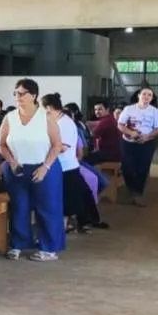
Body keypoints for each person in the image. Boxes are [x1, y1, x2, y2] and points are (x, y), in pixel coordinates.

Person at [0, 78, 64, 262]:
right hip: (17, 168)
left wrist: (45, 167)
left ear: (33, 95)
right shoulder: (9, 117)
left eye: (22, 93)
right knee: (19, 206)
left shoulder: (46, 116)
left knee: (47, 207)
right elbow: (2, 145)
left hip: (44, 168)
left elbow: (57, 145)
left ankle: (49, 248)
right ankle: (18, 244)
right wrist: (10, 161)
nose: (18, 97)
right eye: (16, 93)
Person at [42, 93, 102, 232]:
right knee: (75, 196)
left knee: (69, 199)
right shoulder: (56, 121)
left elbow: (63, 147)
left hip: (66, 166)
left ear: (50, 107)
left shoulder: (65, 123)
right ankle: (79, 222)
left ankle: (66, 226)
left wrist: (43, 146)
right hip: (61, 166)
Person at [117, 87, 158, 206]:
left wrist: (147, 137)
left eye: (149, 95)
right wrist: (131, 133)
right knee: (127, 168)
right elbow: (120, 125)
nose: (146, 97)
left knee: (142, 169)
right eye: (144, 94)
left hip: (146, 144)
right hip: (128, 143)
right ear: (139, 96)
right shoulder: (129, 109)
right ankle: (132, 188)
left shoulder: (155, 111)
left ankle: (137, 194)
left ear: (152, 98)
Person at [86, 100, 121, 165]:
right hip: (113, 152)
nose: (97, 112)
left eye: (100, 109)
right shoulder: (109, 118)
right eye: (95, 109)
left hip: (110, 153)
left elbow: (92, 134)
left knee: (84, 160)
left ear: (107, 110)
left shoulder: (106, 121)